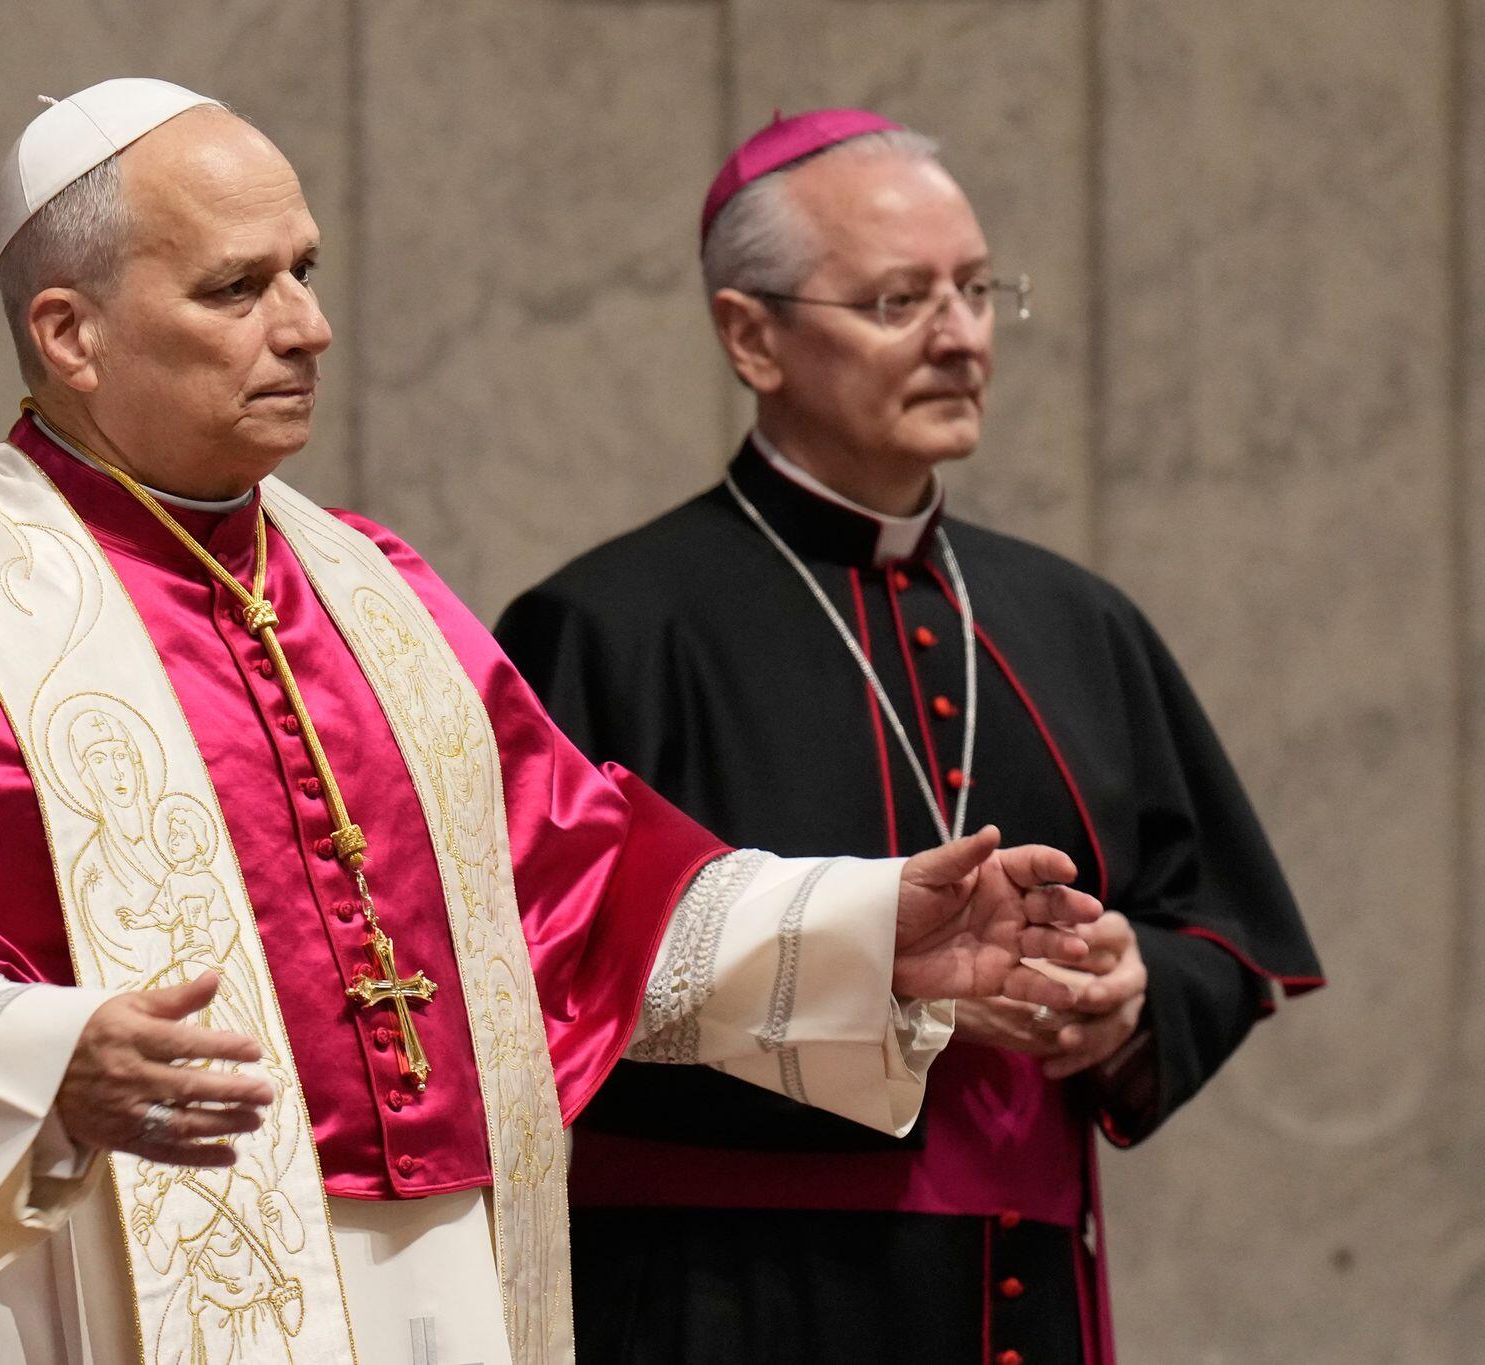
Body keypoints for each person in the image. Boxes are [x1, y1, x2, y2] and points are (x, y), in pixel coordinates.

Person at [0, 82, 1101, 1365]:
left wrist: (867, 932)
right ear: (70, 333)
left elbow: (579, 893)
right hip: (107, 1275)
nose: (307, 326)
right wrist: (46, 1060)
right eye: (237, 288)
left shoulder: (373, 590)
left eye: (306, 270)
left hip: (441, 1277)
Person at [495, 110, 1325, 1364]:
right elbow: (538, 988)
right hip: (727, 1298)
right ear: (750, 336)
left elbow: (1211, 923)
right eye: (898, 301)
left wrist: (1132, 992)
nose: (959, 336)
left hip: (1018, 1294)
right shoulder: (605, 625)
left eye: (976, 290)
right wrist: (880, 979)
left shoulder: (1074, 618)